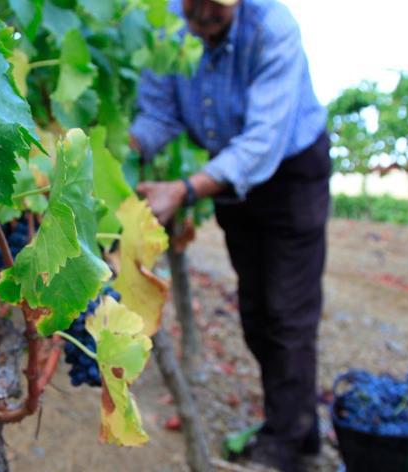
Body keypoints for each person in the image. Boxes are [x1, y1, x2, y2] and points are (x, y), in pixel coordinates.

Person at [130, 0, 329, 470]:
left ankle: (285, 443)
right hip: (231, 180)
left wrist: (183, 189)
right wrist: (121, 148)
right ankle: (299, 429)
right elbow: (158, 115)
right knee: (257, 311)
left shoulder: (273, 28)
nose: (201, 15)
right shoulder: (168, 30)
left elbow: (263, 143)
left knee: (287, 311)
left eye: (215, 4)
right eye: (192, 3)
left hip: (289, 175)